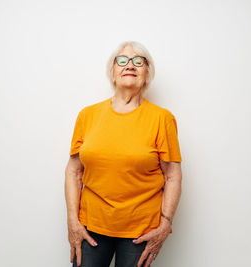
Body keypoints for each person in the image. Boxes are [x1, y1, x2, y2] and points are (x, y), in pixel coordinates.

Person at [65, 41, 183, 267]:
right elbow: (73, 171)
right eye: (122, 60)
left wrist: (164, 226)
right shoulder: (87, 115)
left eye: (139, 61)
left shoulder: (162, 118)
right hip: (90, 226)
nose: (130, 65)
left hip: (140, 230)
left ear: (147, 73)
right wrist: (72, 221)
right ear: (112, 71)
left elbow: (173, 175)